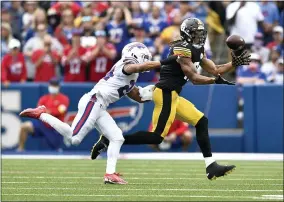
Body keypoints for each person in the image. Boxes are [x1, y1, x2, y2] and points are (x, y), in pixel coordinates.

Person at [92, 18, 251, 180]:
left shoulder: (198, 49)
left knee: (201, 121)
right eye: (196, 33)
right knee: (156, 137)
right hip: (165, 92)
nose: (200, 36)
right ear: (187, 34)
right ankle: (109, 139)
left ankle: (211, 166)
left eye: (201, 33)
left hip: (174, 94)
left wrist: (234, 63)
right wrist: (213, 80)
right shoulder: (181, 48)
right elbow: (194, 78)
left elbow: (215, 69)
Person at [20, 42, 172, 184]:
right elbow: (138, 67)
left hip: (100, 106)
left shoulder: (133, 74)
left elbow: (136, 96)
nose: (146, 61)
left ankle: (110, 174)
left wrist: (152, 95)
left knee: (117, 137)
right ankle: (41, 114)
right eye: (144, 58)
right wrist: (166, 62)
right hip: (93, 101)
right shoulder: (126, 66)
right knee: (74, 138)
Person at [17, 78, 69, 152]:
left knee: (56, 149)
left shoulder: (64, 98)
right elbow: (39, 110)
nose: (53, 87)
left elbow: (61, 111)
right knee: (24, 127)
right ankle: (20, 149)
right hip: (43, 124)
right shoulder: (44, 98)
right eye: (52, 85)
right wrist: (48, 111)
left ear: (58, 86)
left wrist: (49, 111)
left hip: (55, 127)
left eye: (55, 85)